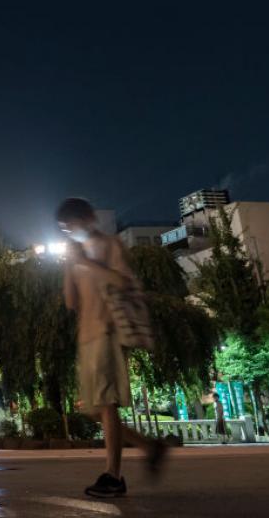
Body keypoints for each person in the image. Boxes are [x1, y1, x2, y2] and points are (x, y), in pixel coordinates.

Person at [58, 197, 168, 498]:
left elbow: (122, 282)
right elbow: (70, 302)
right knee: (95, 411)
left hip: (107, 332)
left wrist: (87, 263)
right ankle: (149, 447)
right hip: (86, 337)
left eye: (72, 225)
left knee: (107, 405)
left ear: (88, 219)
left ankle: (113, 476)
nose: (69, 232)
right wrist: (71, 265)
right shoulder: (76, 256)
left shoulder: (110, 245)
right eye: (64, 229)